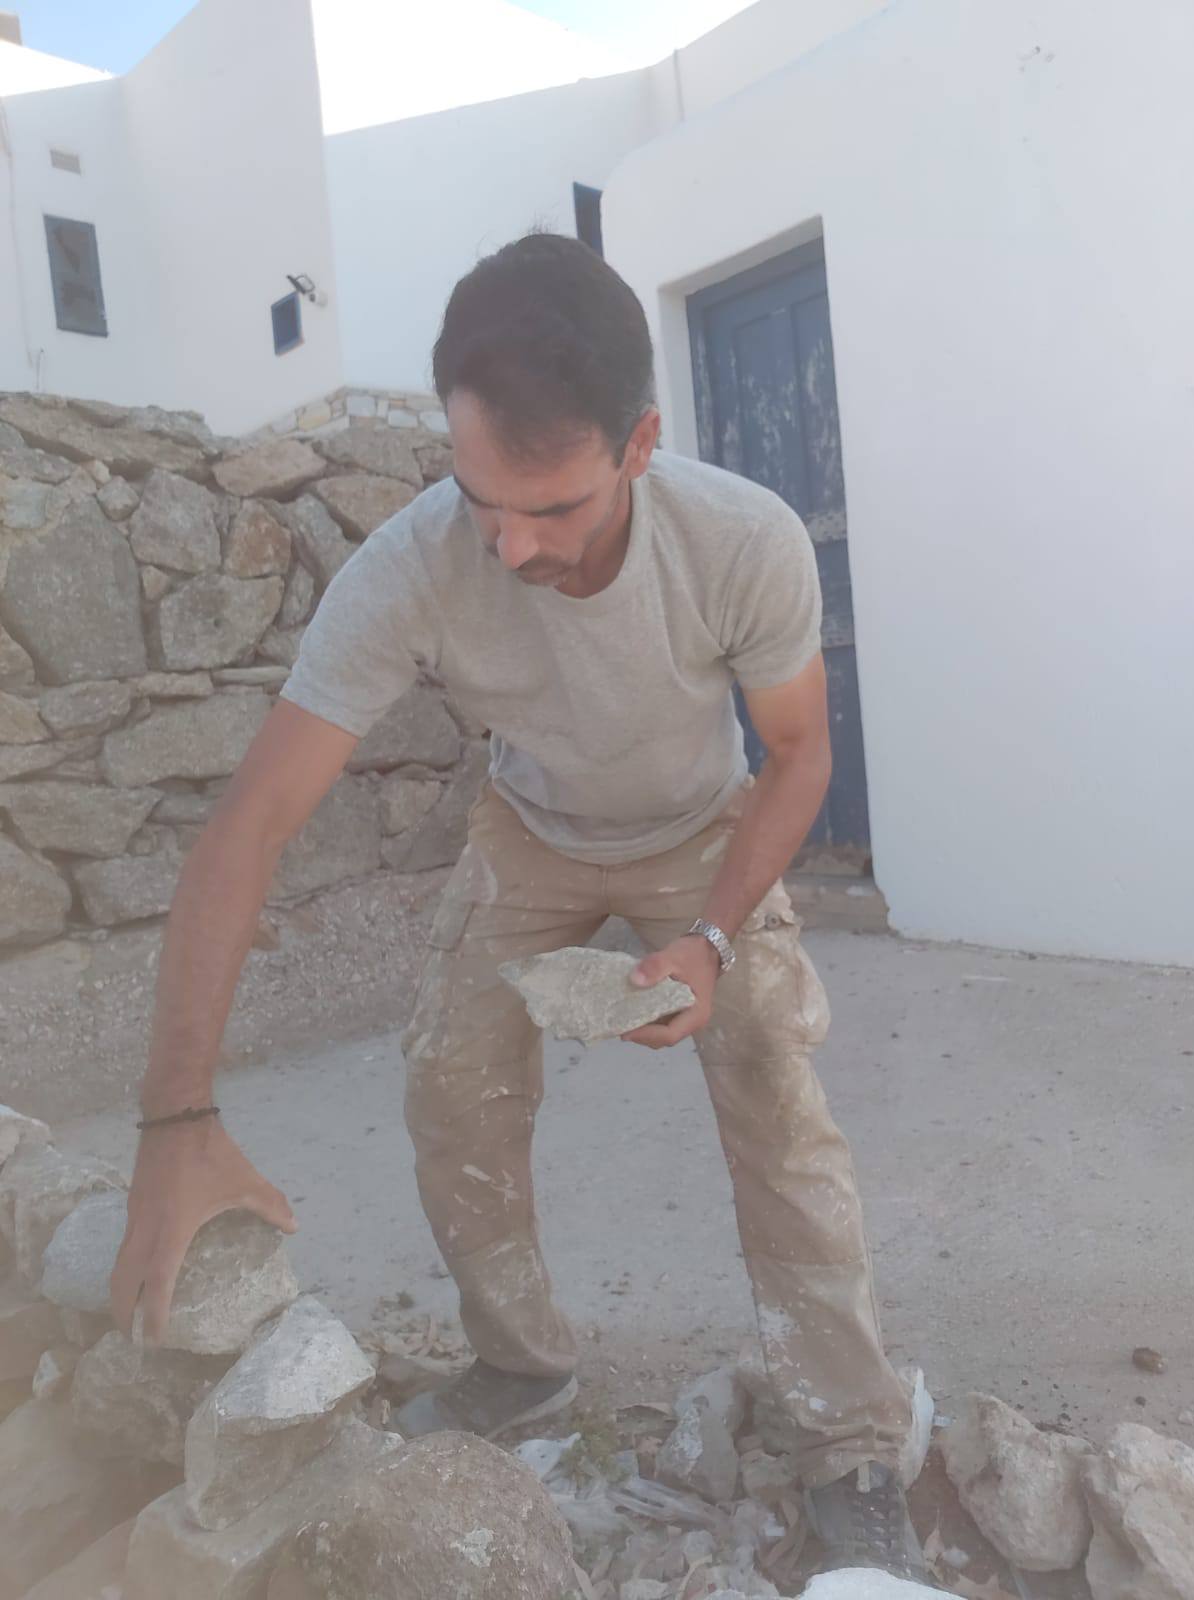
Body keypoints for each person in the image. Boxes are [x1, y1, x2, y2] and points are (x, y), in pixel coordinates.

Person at [112, 233, 929, 1583]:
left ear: (641, 443)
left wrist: (711, 940)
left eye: (553, 508)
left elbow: (798, 757)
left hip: (702, 834)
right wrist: (175, 1114)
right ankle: (522, 1361)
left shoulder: (742, 541)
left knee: (777, 1096)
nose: (510, 543)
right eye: (479, 494)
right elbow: (248, 825)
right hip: (530, 832)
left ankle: (850, 1435)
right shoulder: (415, 567)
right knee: (451, 1085)